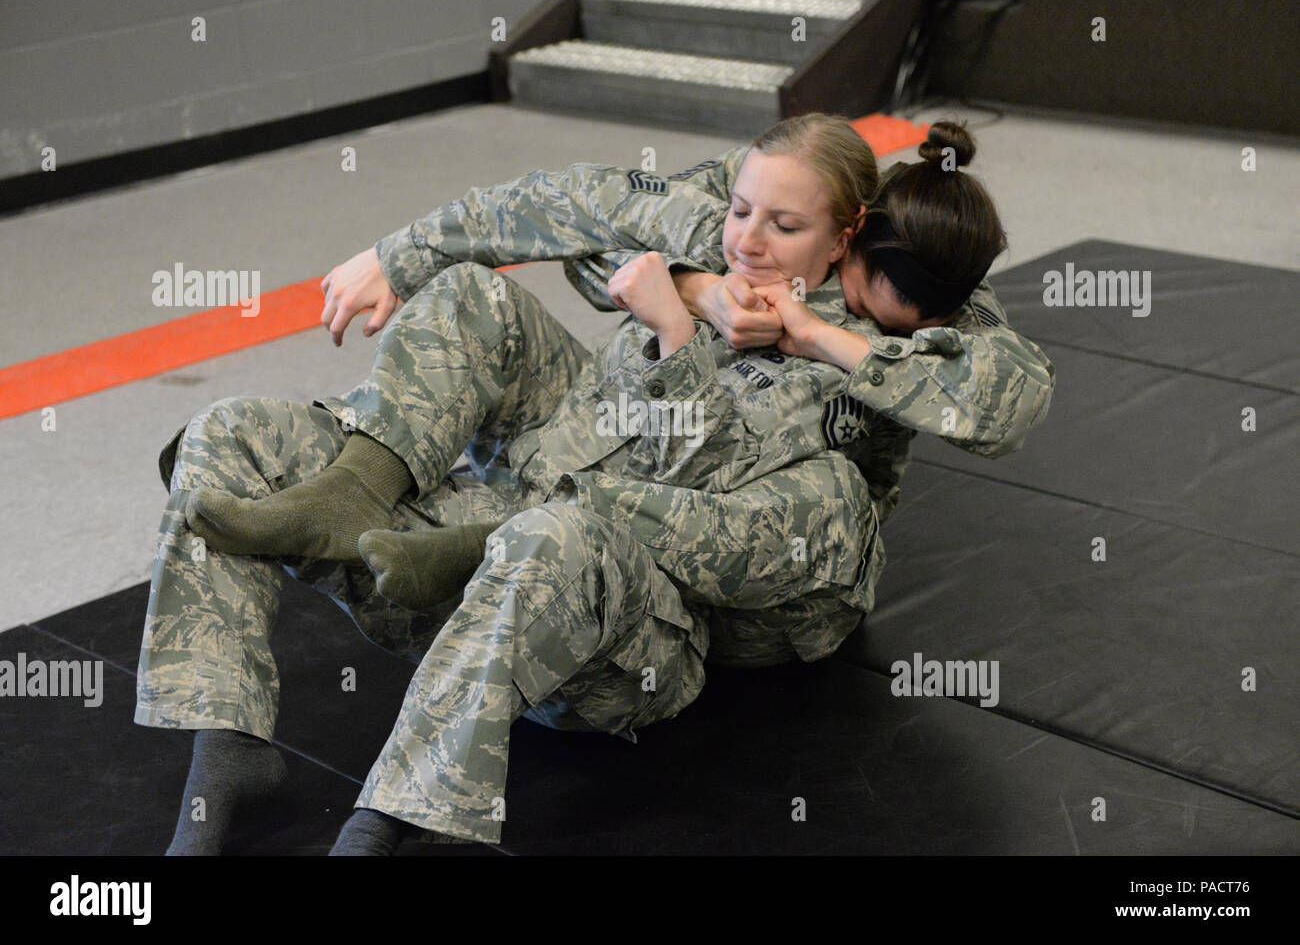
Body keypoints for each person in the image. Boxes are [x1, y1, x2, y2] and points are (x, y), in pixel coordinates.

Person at [136, 115, 1051, 853]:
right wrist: (689, 292)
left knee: (798, 508)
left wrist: (812, 339)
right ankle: (234, 729)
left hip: (663, 593)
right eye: (746, 215)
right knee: (239, 431)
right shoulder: (751, 215)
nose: (754, 241)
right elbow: (576, 213)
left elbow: (1003, 400)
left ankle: (405, 820)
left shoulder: (927, 277)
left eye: (786, 229)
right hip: (569, 474)